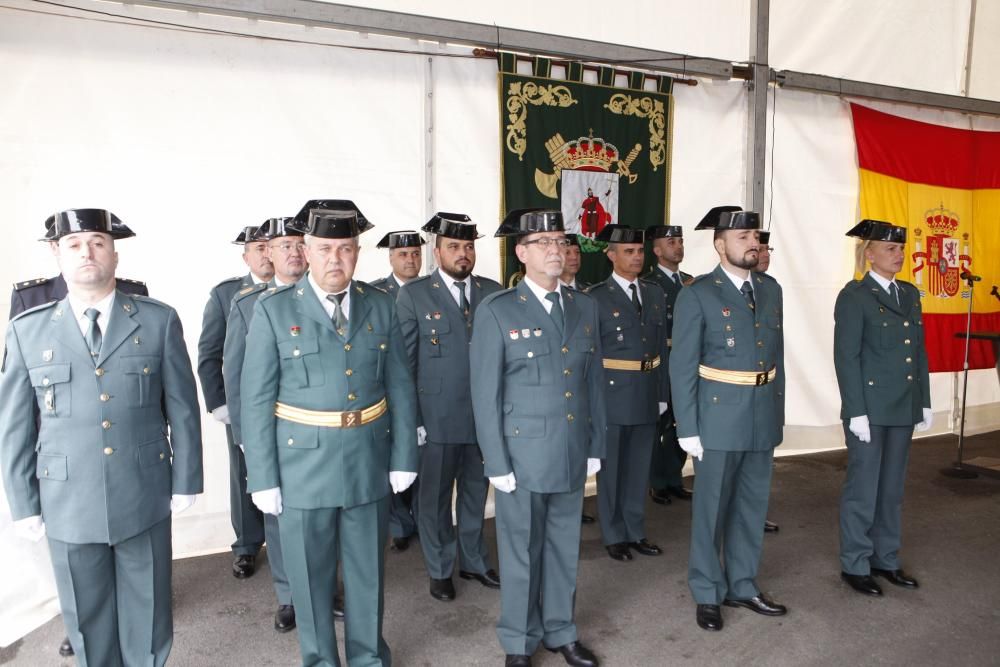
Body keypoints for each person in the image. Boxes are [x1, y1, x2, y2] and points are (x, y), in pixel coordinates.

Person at [0, 208, 202, 665]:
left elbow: (183, 408)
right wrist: (23, 502)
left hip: (143, 489)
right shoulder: (27, 331)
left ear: (114, 252)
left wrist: (186, 477)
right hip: (67, 497)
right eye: (74, 244)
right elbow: (13, 425)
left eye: (97, 242)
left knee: (148, 612)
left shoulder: (157, 321)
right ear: (57, 254)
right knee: (86, 617)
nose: (86, 253)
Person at [241, 199, 418, 666]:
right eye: (324, 249)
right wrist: (262, 476)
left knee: (367, 575)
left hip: (367, 459)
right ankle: (320, 660)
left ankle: (367, 658)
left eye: (345, 249)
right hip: (303, 466)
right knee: (310, 577)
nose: (335, 260)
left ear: (358, 253)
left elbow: (399, 383)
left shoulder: (381, 305)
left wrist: (404, 457)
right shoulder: (274, 312)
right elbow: (256, 399)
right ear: (306, 250)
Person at [471, 208, 605, 667]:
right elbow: (485, 393)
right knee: (521, 552)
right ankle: (518, 641)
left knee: (564, 546)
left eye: (561, 241)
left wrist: (596, 446)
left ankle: (560, 631)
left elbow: (592, 382)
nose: (556, 250)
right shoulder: (498, 310)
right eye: (544, 243)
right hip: (522, 455)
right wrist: (496, 462)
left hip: (570, 450)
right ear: (522, 252)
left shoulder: (584, 306)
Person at [670, 206, 787, 632]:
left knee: (752, 507)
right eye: (743, 238)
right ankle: (706, 590)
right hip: (717, 418)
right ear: (721, 245)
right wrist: (688, 428)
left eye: (755, 236)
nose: (753, 243)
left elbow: (776, 359)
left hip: (760, 416)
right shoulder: (698, 294)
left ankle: (742, 583)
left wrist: (778, 413)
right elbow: (681, 366)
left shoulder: (771, 290)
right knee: (712, 509)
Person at [396, 213, 501, 601]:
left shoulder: (493, 291)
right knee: (435, 498)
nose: (463, 254)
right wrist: (414, 421)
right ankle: (439, 568)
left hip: (483, 418)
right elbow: (405, 364)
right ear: (437, 251)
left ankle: (474, 560)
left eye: (469, 247)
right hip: (436, 420)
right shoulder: (414, 294)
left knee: (476, 492)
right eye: (454, 247)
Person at [835, 219, 931, 597]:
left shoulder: (908, 293)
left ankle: (886, 559)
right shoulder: (855, 296)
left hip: (902, 405)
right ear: (869, 253)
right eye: (890, 249)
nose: (899, 254)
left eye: (901, 248)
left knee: (891, 489)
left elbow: (918, 352)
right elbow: (847, 356)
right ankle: (855, 563)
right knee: (863, 489)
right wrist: (856, 410)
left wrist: (922, 401)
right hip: (871, 409)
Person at [223, 218, 308, 632]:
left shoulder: (332, 299)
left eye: (298, 244)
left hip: (320, 435)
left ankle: (323, 588)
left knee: (323, 517)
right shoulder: (249, 304)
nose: (293, 252)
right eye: (283, 245)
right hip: (274, 434)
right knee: (278, 519)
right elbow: (236, 376)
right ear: (267, 254)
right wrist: (244, 438)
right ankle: (290, 596)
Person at [196, 225, 275, 581]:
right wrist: (219, 402)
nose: (264, 254)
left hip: (286, 404)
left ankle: (286, 545)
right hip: (241, 403)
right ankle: (246, 544)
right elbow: (209, 353)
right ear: (246, 256)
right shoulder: (228, 294)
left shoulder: (300, 288)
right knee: (245, 474)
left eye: (268, 247)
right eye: (257, 248)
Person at [586, 224, 669, 562]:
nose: (637, 257)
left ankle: (635, 530)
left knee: (638, 468)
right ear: (611, 256)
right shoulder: (595, 297)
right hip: (613, 395)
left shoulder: (654, 293)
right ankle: (613, 533)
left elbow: (662, 346)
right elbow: (590, 357)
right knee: (613, 470)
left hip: (647, 391)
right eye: (629, 252)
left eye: (639, 251)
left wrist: (662, 391)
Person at [371, 229, 426, 552]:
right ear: (391, 257)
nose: (410, 259)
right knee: (391, 457)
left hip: (423, 389)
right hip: (387, 390)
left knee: (421, 461)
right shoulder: (377, 293)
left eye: (416, 253)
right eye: (403, 254)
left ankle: (420, 518)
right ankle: (399, 523)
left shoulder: (430, 290)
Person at [644, 224, 694, 506]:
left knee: (681, 422)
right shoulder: (650, 284)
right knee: (658, 425)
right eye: (671, 242)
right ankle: (657, 481)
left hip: (686, 362)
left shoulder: (691, 281)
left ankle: (674, 478)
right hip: (662, 360)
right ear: (657, 250)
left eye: (680, 241)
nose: (678, 246)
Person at [557, 233, 596, 524]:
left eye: (576, 253)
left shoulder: (588, 296)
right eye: (567, 251)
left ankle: (575, 505)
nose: (572, 257)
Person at [752, 230, 780, 533]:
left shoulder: (772, 289)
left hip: (766, 391)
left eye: (767, 248)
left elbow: (776, 351)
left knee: (762, 463)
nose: (764, 254)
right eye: (758, 248)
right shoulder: (714, 289)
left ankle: (756, 514)